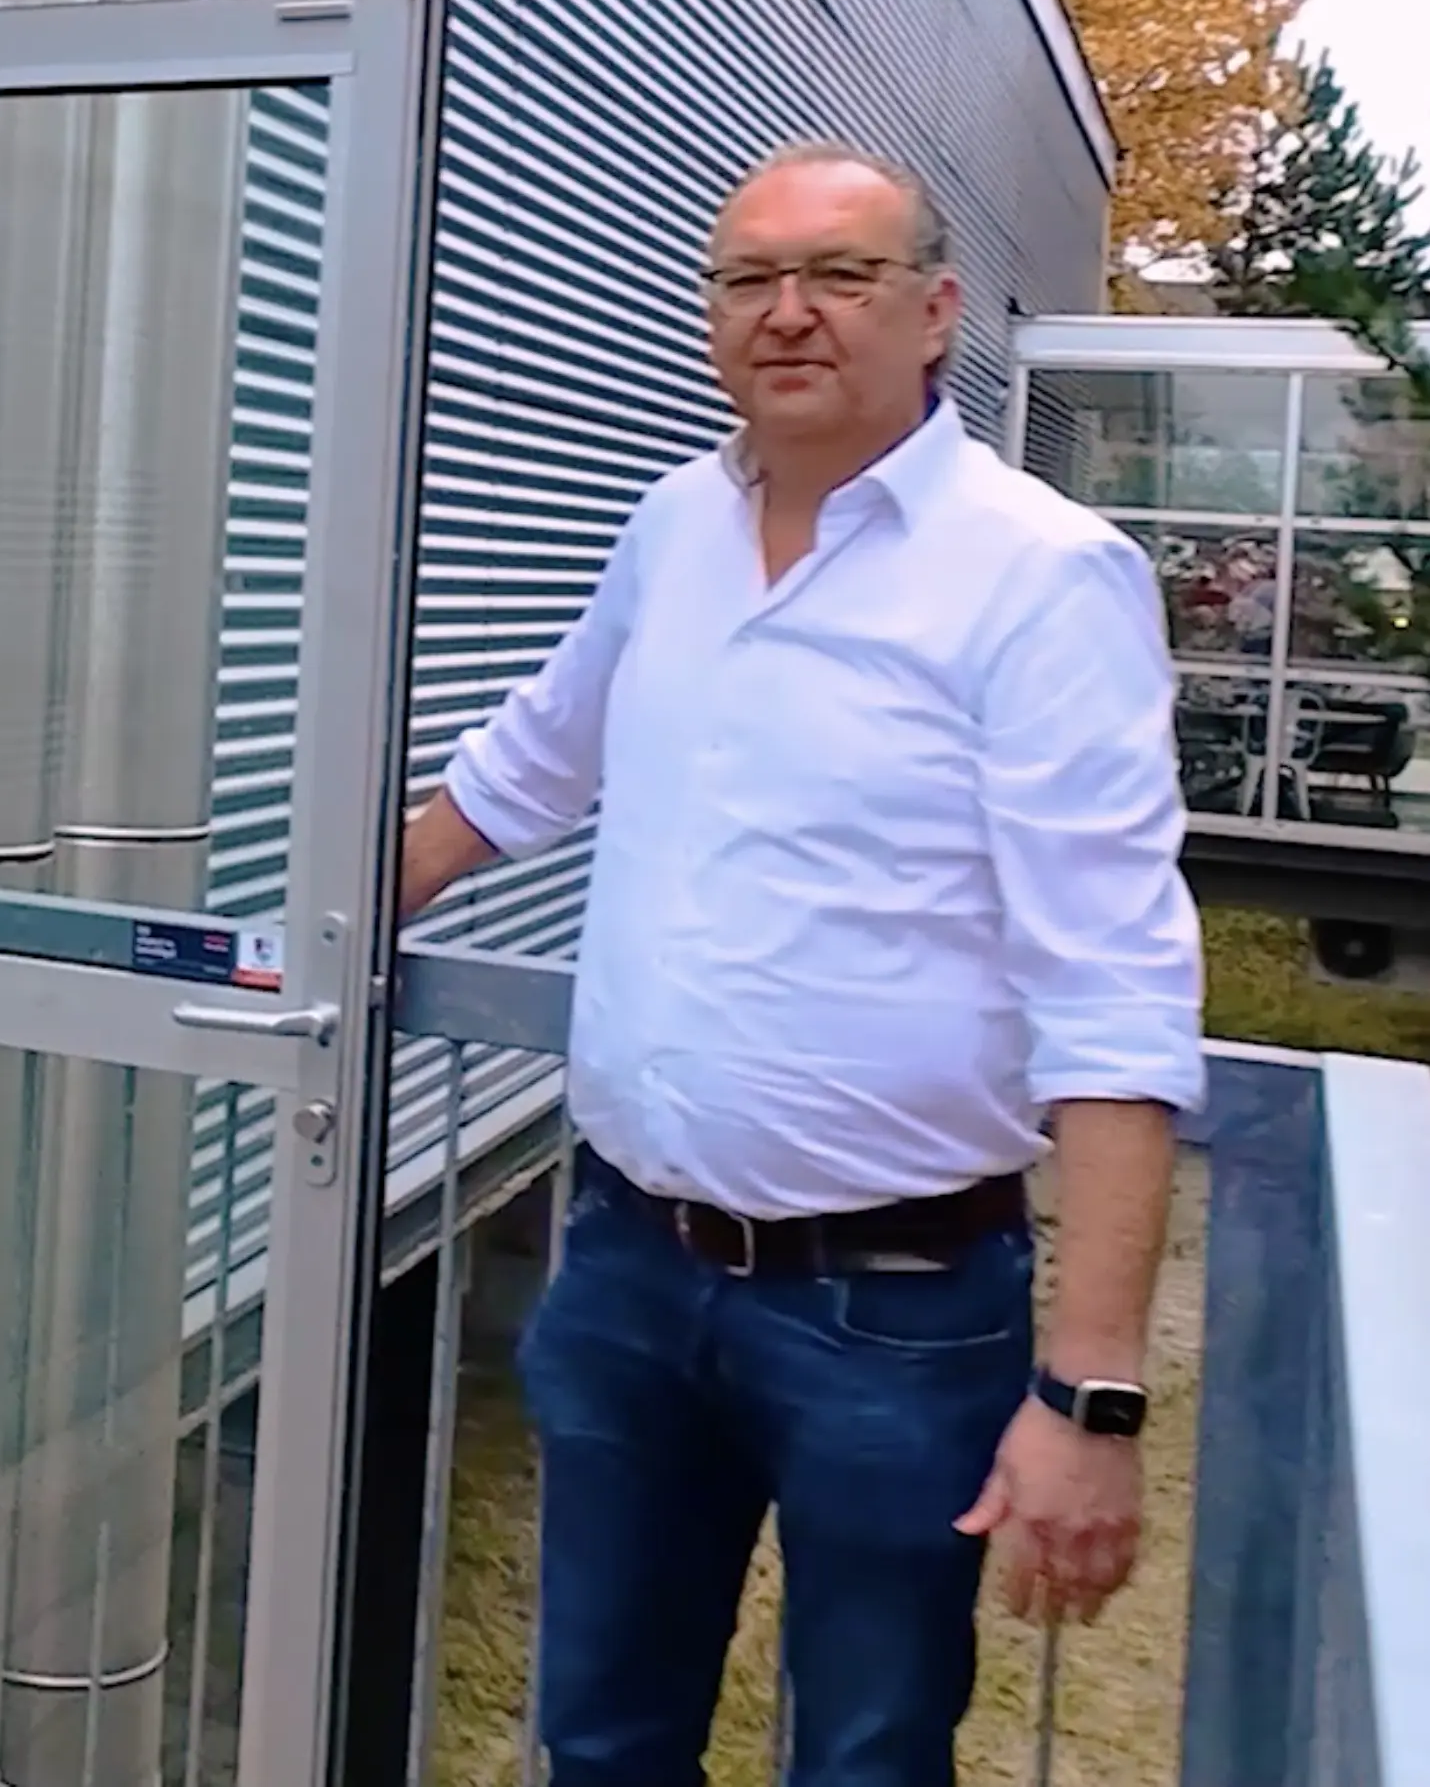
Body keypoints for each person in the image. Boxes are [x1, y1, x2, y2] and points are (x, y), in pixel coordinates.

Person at [399, 142, 1203, 1787]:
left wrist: (1090, 1392)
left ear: (934, 309)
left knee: (865, 1755)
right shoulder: (673, 525)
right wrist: (314, 929)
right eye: (748, 278)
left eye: (837, 274)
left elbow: (1112, 988)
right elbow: (526, 765)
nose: (786, 312)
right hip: (627, 1268)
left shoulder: (1038, 574)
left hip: (891, 1309)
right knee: (600, 1737)